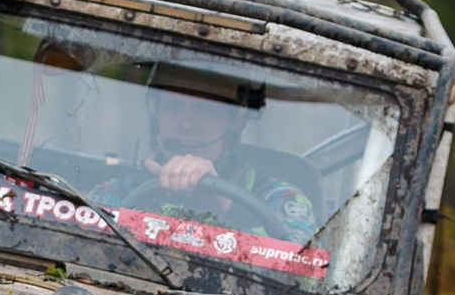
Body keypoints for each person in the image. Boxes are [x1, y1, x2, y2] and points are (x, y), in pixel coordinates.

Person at [126, 78, 315, 237]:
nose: (187, 124)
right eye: (173, 107)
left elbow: (303, 271)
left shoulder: (280, 199)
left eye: (205, 109)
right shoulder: (120, 191)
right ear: (156, 119)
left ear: (235, 122)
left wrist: (220, 200)